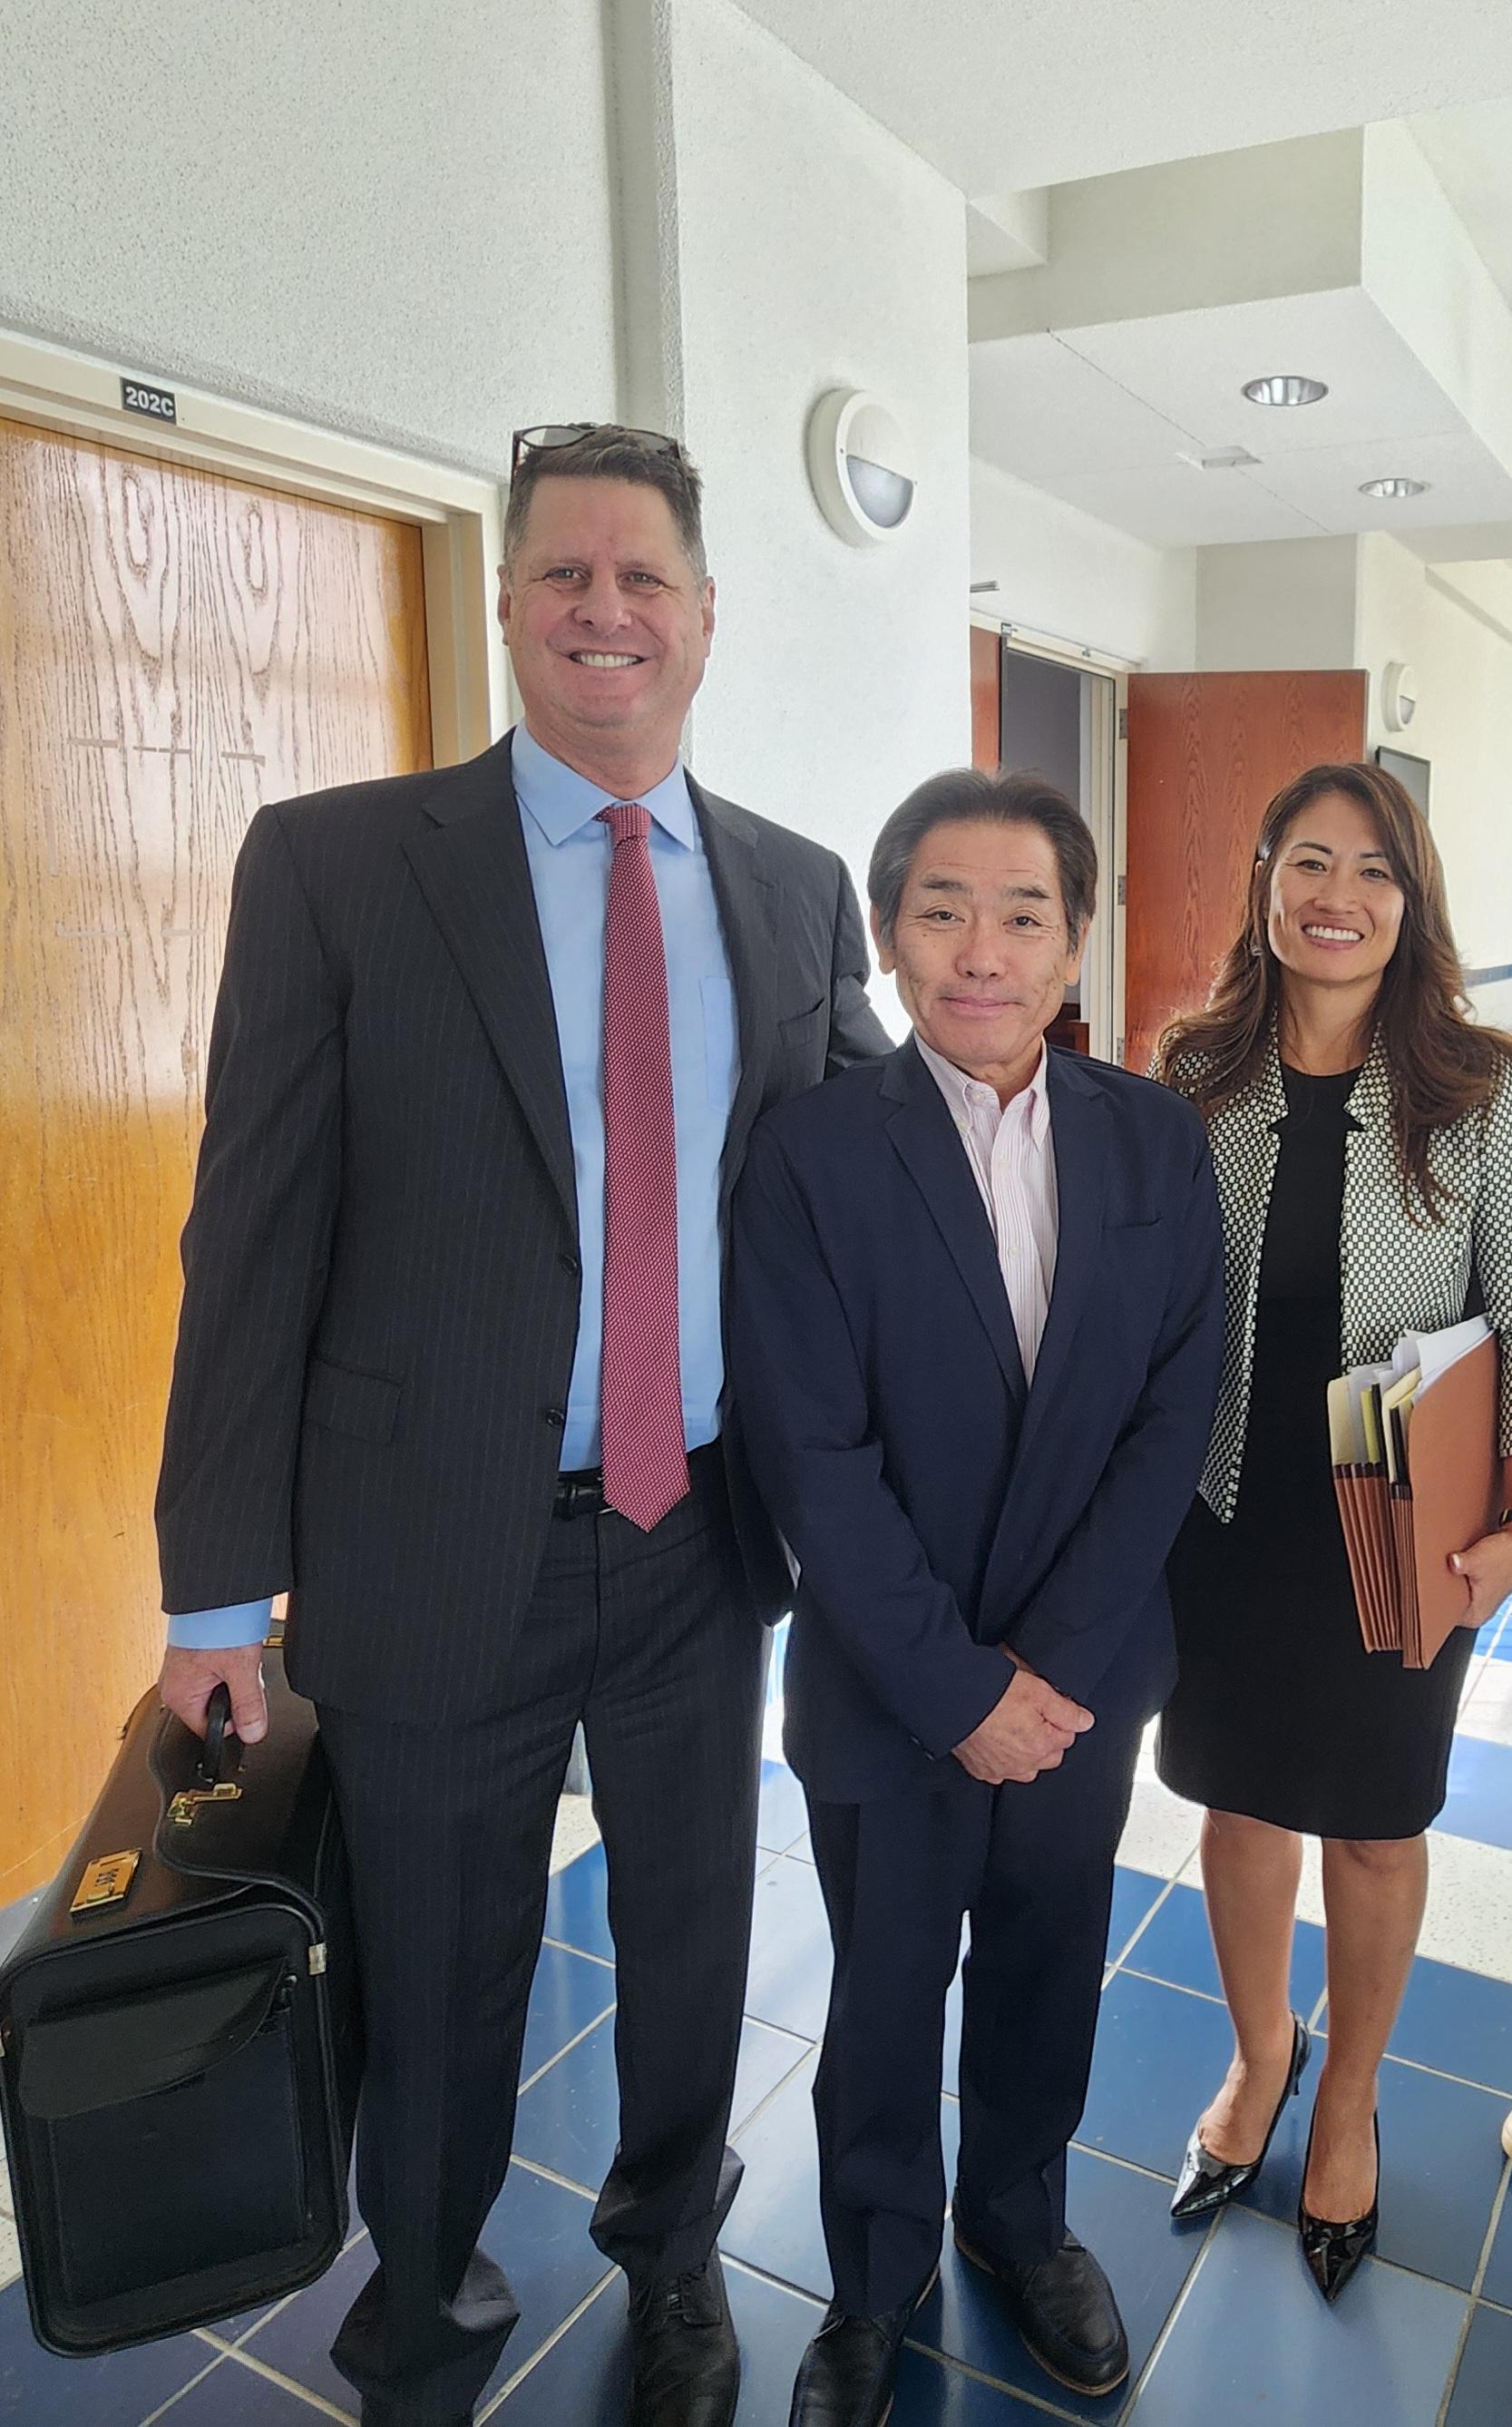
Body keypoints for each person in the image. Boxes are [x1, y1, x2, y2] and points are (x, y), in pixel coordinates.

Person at [153, 423, 889, 2427]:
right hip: (423, 1539)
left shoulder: (798, 893)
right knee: (445, 1972)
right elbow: (250, 1237)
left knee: (686, 1937)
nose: (604, 611)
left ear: (708, 621)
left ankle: (671, 2260)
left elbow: (872, 1205)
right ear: (505, 605)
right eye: (564, 574)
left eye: (644, 578)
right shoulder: (335, 866)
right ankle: (429, 2304)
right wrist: (214, 1593)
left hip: (697, 1540)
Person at [729, 769, 1224, 2427]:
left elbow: (1174, 1413)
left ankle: (1020, 2218)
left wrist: (1051, 1677)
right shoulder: (809, 1156)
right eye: (941, 907)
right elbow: (812, 1453)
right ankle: (871, 2279)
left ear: (1077, 937)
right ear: (886, 935)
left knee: (1043, 1964)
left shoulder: (1153, 1139)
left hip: (1079, 1693)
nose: (984, 949)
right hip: (888, 1691)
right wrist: (960, 1690)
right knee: (877, 1998)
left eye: (1025, 912)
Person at [1152, 761, 1512, 2302]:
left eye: (1374, 871)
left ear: (1411, 901)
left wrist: (1505, 1546)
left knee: (1374, 1825)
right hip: (1223, 1515)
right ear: (1265, 880)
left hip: (1404, 1533)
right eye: (1311, 861)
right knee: (1238, 1811)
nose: (1339, 896)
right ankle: (1260, 2057)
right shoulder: (1192, 1074)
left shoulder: (1478, 1092)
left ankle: (1350, 2094)